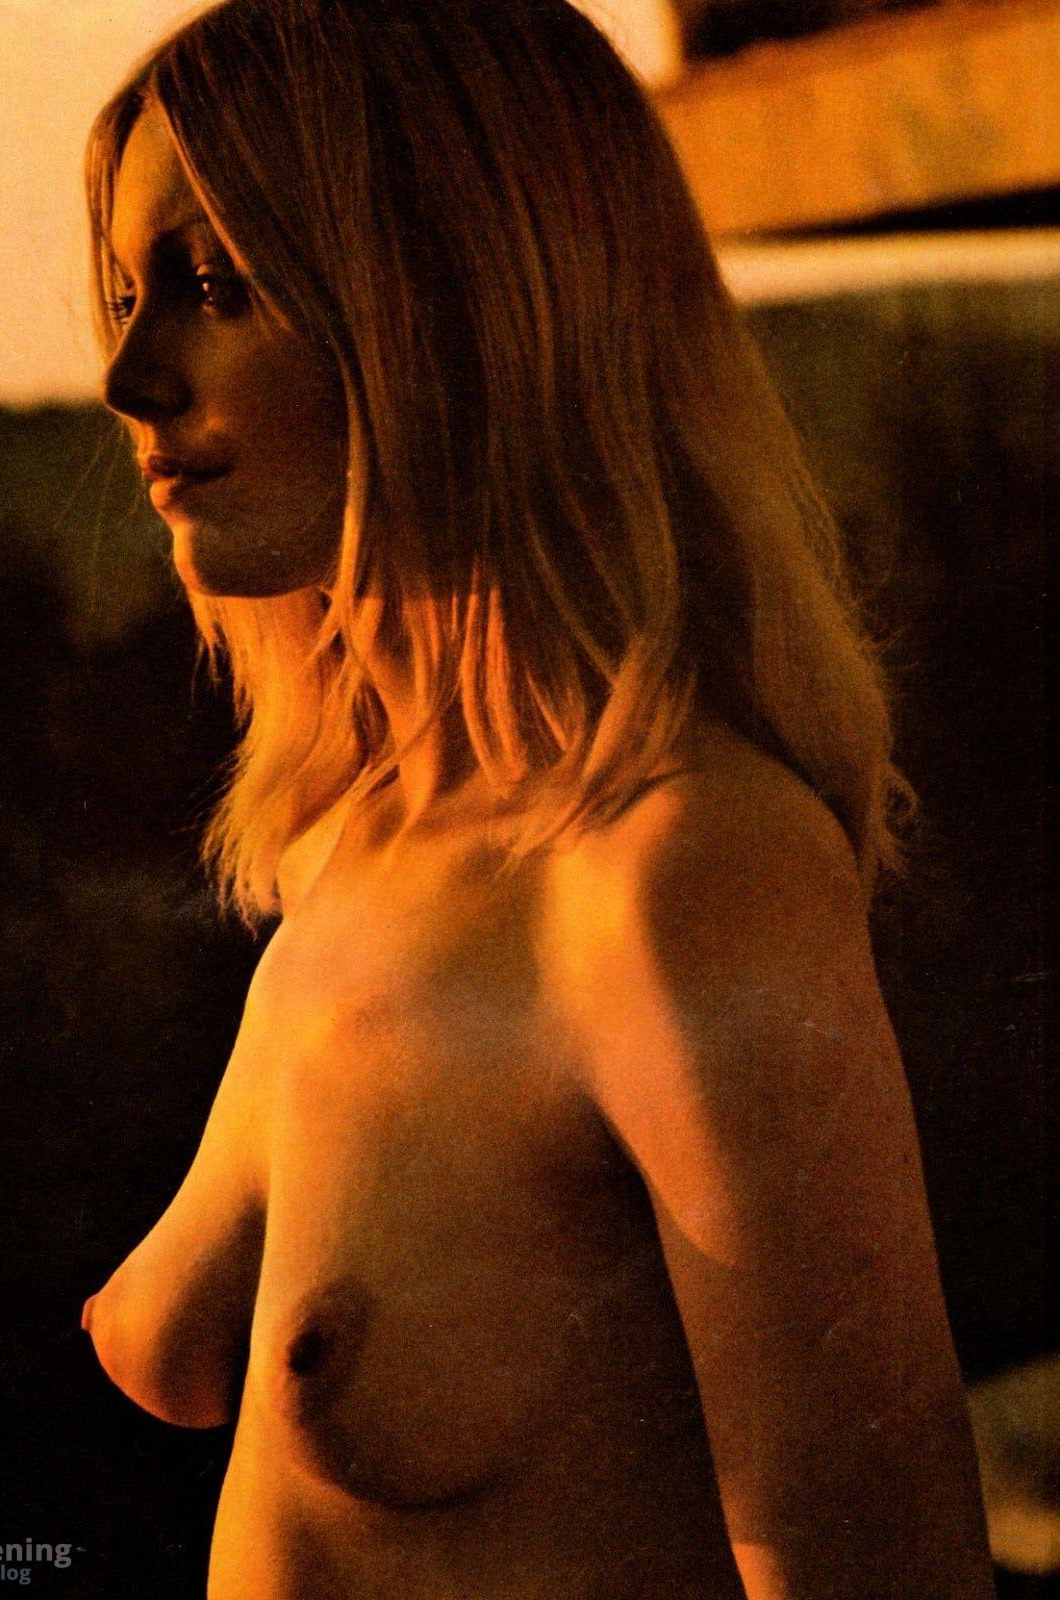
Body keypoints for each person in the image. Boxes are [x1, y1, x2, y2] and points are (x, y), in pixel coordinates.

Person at [78, 2, 996, 1595]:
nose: (127, 376)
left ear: (466, 306)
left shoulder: (681, 875)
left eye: (217, 286)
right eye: (122, 293)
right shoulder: (356, 848)